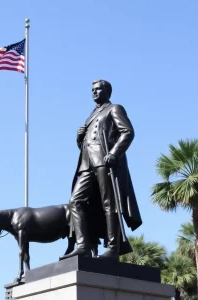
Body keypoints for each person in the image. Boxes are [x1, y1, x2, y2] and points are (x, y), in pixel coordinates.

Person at [60, 79, 142, 261]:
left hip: (105, 162)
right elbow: (86, 144)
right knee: (75, 201)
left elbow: (128, 132)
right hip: (86, 164)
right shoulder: (91, 115)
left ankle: (113, 248)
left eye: (97, 89)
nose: (94, 93)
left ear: (107, 91)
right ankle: (83, 246)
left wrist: (114, 153)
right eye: (92, 90)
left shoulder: (115, 108)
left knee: (109, 204)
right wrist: (79, 137)